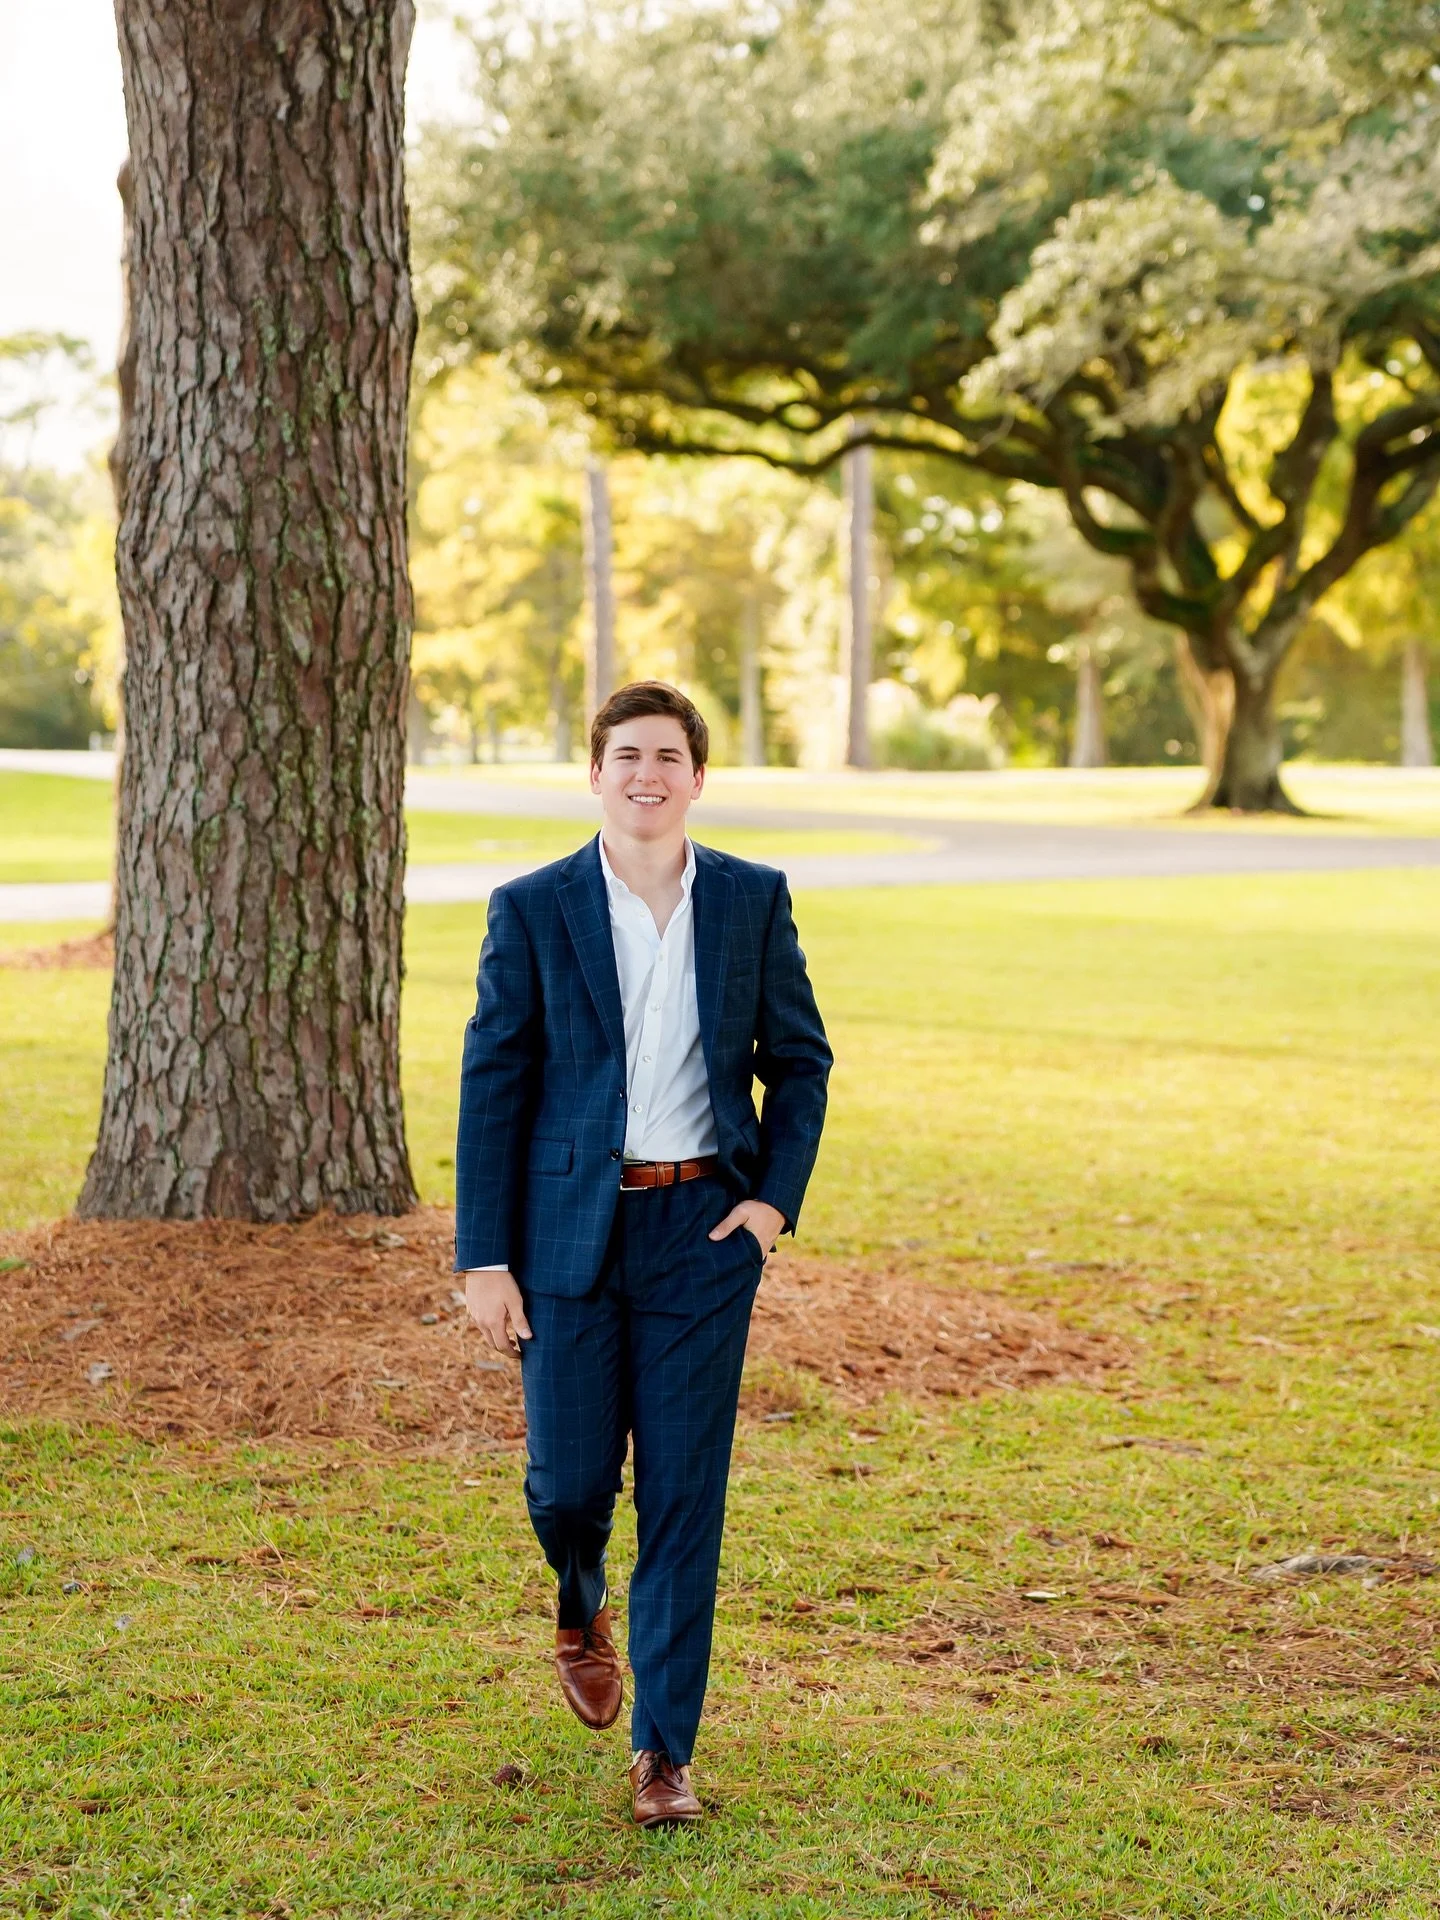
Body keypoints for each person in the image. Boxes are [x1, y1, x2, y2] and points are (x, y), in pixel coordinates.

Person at [455, 680, 831, 1827]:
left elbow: (800, 1062)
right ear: (595, 774)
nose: (647, 775)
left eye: (668, 756)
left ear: (698, 778)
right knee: (570, 1485)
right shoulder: (533, 908)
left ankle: (663, 1754)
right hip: (564, 1237)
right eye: (626, 755)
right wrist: (483, 1258)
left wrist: (768, 1208)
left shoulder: (752, 900)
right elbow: (493, 1084)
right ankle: (580, 1602)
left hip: (701, 1236)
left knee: (681, 1495)